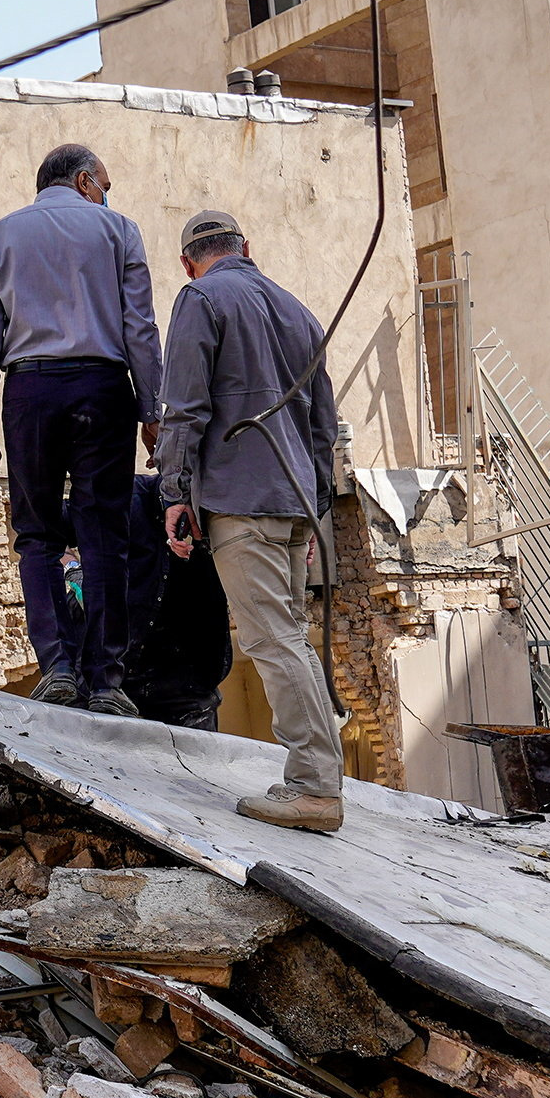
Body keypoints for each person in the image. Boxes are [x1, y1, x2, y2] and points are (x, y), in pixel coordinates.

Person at [157, 210, 348, 834]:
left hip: (241, 500)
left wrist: (175, 492)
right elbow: (324, 430)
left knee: (272, 640)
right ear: (247, 248)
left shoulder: (200, 298)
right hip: (294, 501)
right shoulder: (299, 312)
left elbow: (184, 410)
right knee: (289, 635)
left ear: (189, 261)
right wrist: (315, 512)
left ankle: (315, 787)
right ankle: (315, 776)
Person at [0, 143, 162, 715]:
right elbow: (141, 330)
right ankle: (105, 681)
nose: (107, 195)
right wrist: (153, 412)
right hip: (104, 389)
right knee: (106, 536)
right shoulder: (118, 231)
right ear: (83, 181)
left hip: (29, 391)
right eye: (105, 184)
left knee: (37, 536)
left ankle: (56, 666)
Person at [114, 471, 237, 732]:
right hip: (126, 678)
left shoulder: (217, 497)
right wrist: (74, 570)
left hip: (192, 686)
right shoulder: (126, 495)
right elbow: (48, 533)